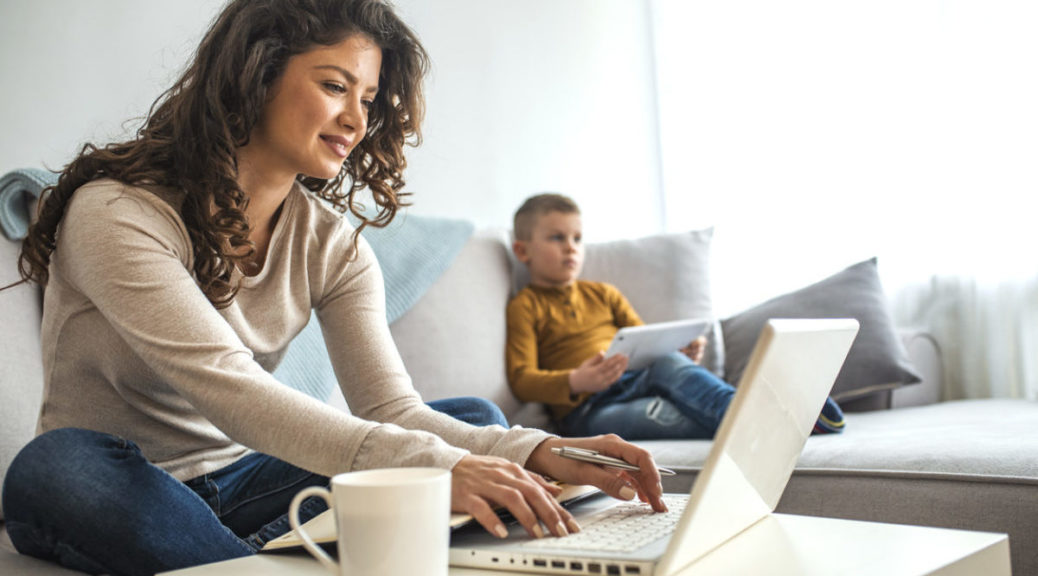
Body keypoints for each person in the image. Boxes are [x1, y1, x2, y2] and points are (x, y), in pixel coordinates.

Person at [0, 2, 667, 575]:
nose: (355, 118)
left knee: (475, 424)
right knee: (58, 466)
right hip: (113, 478)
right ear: (256, 76)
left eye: (368, 100)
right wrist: (439, 470)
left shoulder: (333, 244)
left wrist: (547, 449)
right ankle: (272, 553)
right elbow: (230, 387)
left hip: (245, 478)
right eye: (334, 86)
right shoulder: (117, 213)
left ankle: (249, 554)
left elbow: (395, 412)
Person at [506, 193, 847, 439]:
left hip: (639, 379)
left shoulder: (603, 293)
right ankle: (784, 418)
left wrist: (676, 351)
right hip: (587, 411)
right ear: (522, 250)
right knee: (669, 416)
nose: (571, 247)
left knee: (669, 362)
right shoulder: (525, 306)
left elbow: (645, 343)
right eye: (557, 238)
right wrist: (575, 382)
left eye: (577, 238)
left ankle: (768, 415)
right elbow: (521, 379)